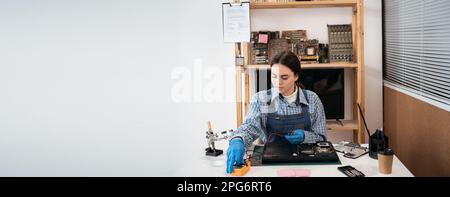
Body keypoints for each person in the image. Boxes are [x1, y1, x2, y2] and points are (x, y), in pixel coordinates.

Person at [226, 51, 327, 174]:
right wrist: (238, 139)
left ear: (296, 76)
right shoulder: (260, 99)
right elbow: (249, 127)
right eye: (274, 76)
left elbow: (322, 139)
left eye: (284, 77)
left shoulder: (313, 99)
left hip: (307, 163)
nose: (278, 82)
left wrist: (305, 137)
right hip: (270, 164)